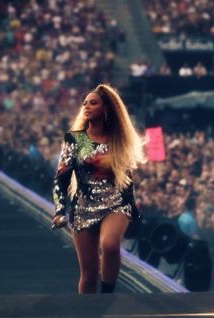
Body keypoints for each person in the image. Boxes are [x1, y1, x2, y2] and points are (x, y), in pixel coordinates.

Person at [52, 83, 147, 294]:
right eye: (85, 103)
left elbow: (127, 178)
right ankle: (87, 315)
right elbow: (61, 178)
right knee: (89, 275)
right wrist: (60, 210)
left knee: (110, 245)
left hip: (115, 203)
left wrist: (132, 208)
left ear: (106, 108)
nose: (86, 106)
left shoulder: (117, 139)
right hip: (83, 207)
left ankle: (107, 294)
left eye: (93, 103)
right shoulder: (76, 140)